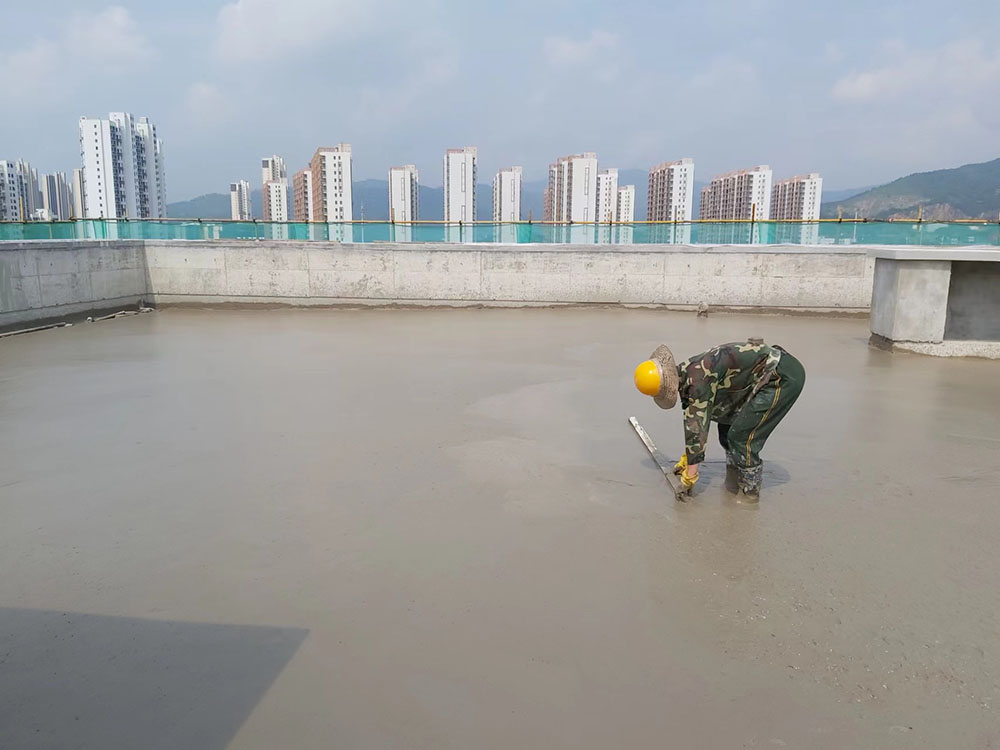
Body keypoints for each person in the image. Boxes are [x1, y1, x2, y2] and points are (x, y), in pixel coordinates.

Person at [633, 339, 805, 502]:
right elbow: (694, 416)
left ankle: (749, 494)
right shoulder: (686, 370)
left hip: (782, 376)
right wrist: (688, 457)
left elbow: (697, 427)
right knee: (726, 426)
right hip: (760, 375)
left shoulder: (697, 383)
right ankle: (733, 476)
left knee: (741, 437)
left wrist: (690, 475)